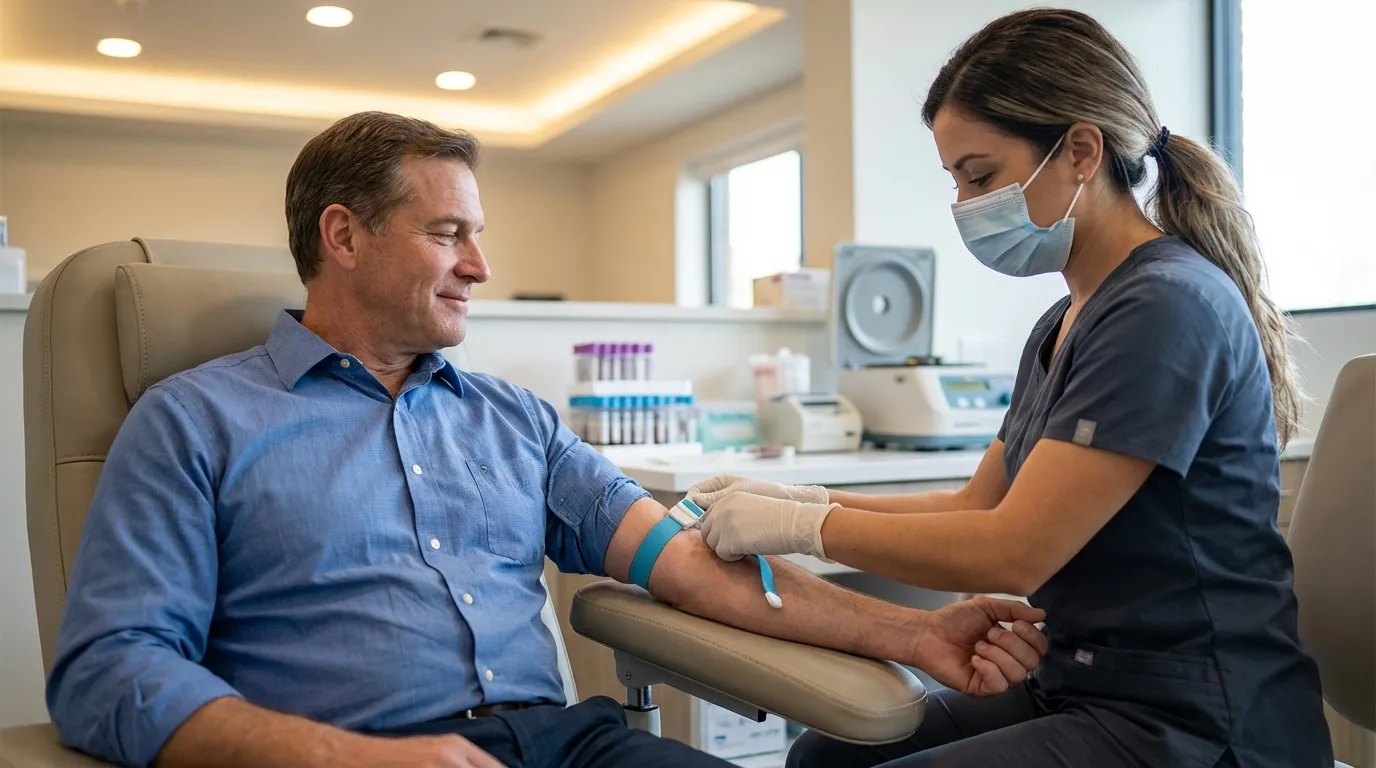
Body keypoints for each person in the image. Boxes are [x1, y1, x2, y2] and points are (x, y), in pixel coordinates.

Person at [45, 111, 1049, 768]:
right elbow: (108, 670)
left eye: (476, 235)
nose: (479, 266)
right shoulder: (193, 422)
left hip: (571, 746)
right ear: (343, 238)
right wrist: (357, 759)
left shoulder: (509, 419)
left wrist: (912, 634)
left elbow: (690, 567)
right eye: (447, 235)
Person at [688, 9, 1333, 768]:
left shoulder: (1167, 306)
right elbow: (974, 507)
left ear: (1081, 151)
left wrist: (800, 529)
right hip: (1078, 681)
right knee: (822, 758)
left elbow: (1013, 549)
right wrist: (793, 497)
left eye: (981, 174)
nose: (965, 204)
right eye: (957, 179)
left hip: (1196, 718)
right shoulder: (1064, 323)